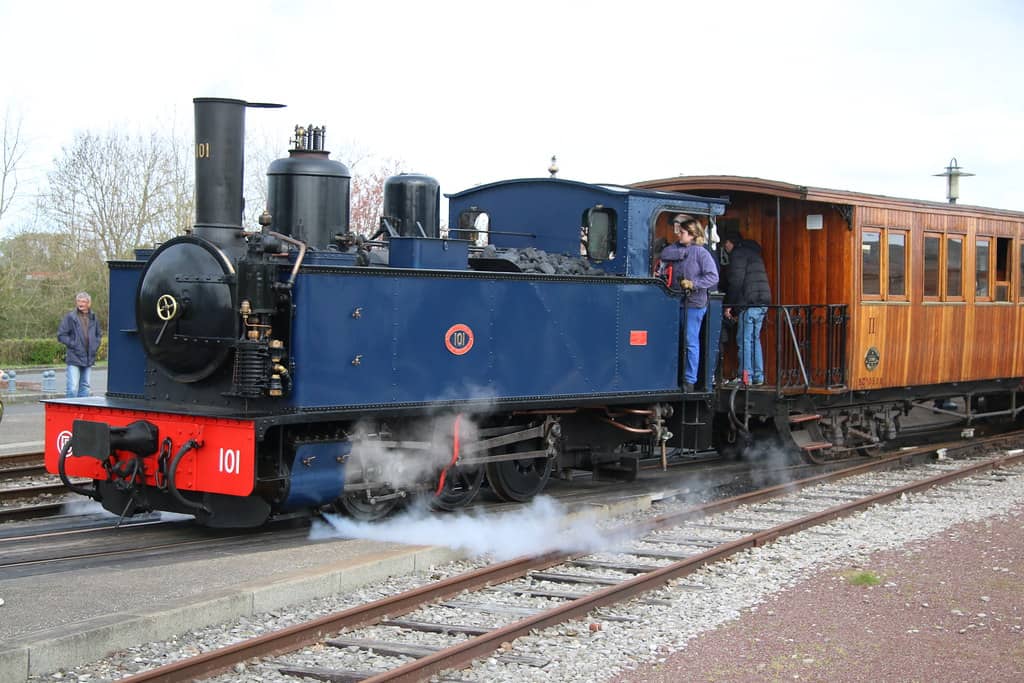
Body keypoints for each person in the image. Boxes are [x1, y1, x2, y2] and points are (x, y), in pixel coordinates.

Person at [659, 216, 719, 392]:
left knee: (690, 340)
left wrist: (694, 284)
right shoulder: (678, 249)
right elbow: (664, 254)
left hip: (695, 302)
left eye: (683, 233)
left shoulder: (702, 253)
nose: (679, 235)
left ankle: (690, 380)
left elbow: (713, 276)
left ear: (692, 234)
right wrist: (683, 253)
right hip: (678, 301)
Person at [722, 230, 771, 386]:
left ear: (730, 243)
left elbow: (736, 282)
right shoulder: (753, 253)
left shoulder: (738, 255)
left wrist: (730, 305)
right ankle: (758, 376)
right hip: (762, 302)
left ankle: (745, 377)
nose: (725, 248)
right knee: (754, 339)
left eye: (725, 245)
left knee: (744, 340)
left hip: (749, 303)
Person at [57, 292, 102, 398]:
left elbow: (98, 334)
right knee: (72, 387)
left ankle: (82, 413)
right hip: (74, 356)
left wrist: (95, 346)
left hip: (88, 357)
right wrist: (74, 344)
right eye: (78, 301)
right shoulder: (70, 317)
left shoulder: (93, 317)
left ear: (88, 303)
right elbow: (61, 335)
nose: (80, 303)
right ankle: (69, 412)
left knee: (85, 387)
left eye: (83, 301)